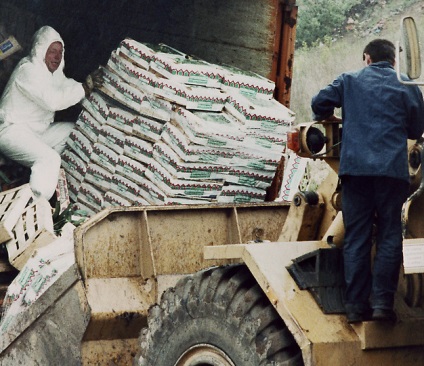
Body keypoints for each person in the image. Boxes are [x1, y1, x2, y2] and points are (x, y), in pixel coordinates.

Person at [311, 39, 424, 323]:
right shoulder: (407, 84)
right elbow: (417, 126)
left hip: (356, 173)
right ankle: (383, 306)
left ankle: (355, 307)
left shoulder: (349, 79)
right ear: (393, 61)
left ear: (367, 58)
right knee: (388, 236)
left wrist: (328, 115)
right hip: (391, 175)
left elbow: (318, 102)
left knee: (357, 237)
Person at [0, 25, 102, 200]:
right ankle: (32, 206)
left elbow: (68, 86)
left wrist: (95, 101)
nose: (57, 56)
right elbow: (52, 101)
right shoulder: (28, 70)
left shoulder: (53, 74)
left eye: (60, 52)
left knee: (72, 131)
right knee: (50, 159)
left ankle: (41, 178)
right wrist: (84, 88)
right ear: (40, 50)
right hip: (12, 132)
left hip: (35, 133)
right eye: (52, 51)